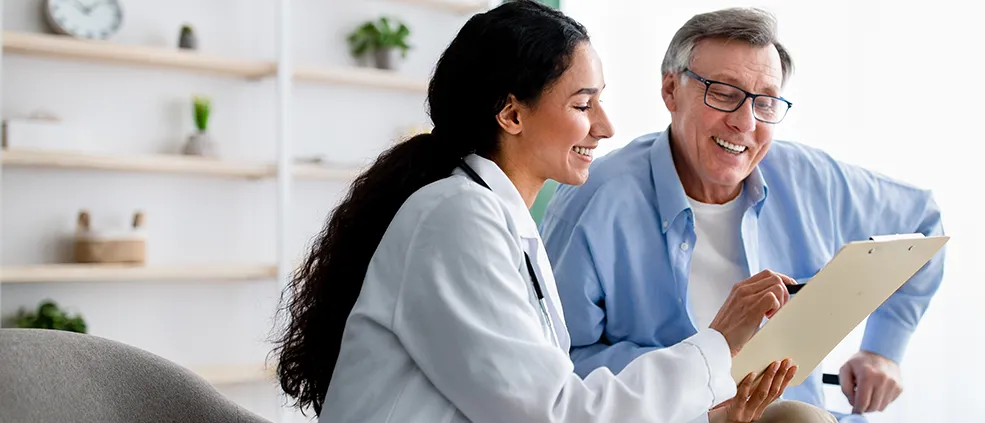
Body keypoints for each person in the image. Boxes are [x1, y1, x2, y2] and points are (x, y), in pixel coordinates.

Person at [268, 2, 822, 422]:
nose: (604, 127)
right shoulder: (454, 219)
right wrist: (719, 342)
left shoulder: (495, 219)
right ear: (512, 114)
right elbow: (557, 414)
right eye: (583, 105)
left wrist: (710, 408)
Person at [540, 7, 946, 423]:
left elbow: (923, 224)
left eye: (765, 102)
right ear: (670, 90)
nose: (744, 122)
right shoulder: (591, 202)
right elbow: (560, 366)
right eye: (724, 93)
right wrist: (696, 378)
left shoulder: (812, 179)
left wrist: (883, 351)